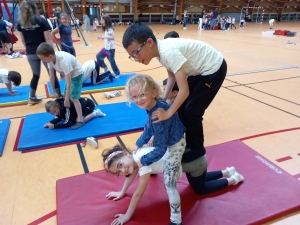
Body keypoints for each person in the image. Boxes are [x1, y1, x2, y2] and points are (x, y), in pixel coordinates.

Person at [122, 22, 228, 198]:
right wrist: (163, 98)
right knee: (181, 108)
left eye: (136, 52)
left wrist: (168, 113)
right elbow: (172, 76)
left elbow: (184, 91)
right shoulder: (160, 53)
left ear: (149, 42)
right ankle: (185, 141)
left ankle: (197, 148)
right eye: (131, 55)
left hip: (213, 69)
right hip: (198, 72)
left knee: (192, 111)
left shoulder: (168, 52)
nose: (135, 57)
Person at [104, 145, 244, 225]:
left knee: (200, 189)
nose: (123, 171)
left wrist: (127, 216)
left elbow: (138, 194)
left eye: (120, 165)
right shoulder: (136, 156)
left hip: (194, 164)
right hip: (192, 160)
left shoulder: (143, 163)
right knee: (198, 180)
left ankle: (233, 179)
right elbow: (131, 173)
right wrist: (122, 192)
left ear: (124, 153)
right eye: (118, 172)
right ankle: (227, 171)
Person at [121, 74, 186, 225]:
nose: (138, 100)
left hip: (175, 145)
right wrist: (139, 143)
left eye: (142, 94)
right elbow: (149, 128)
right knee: (147, 150)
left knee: (169, 182)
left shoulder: (157, 114)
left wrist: (142, 161)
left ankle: (176, 219)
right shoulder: (153, 106)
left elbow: (161, 148)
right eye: (134, 96)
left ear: (155, 93)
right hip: (168, 136)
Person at [17, 0, 61, 105]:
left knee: (35, 75)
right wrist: (52, 53)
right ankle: (58, 96)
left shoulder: (20, 23)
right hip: (44, 52)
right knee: (52, 74)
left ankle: (32, 97)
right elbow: (48, 39)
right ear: (34, 8)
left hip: (31, 52)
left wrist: (29, 49)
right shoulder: (41, 20)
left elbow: (22, 40)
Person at [37, 42, 84, 130]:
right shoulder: (50, 60)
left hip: (77, 74)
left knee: (73, 97)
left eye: (43, 59)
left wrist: (66, 100)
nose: (42, 61)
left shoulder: (63, 61)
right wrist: (54, 91)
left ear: (50, 56)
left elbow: (69, 83)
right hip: (70, 74)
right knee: (67, 94)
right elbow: (51, 76)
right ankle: (72, 113)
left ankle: (80, 120)